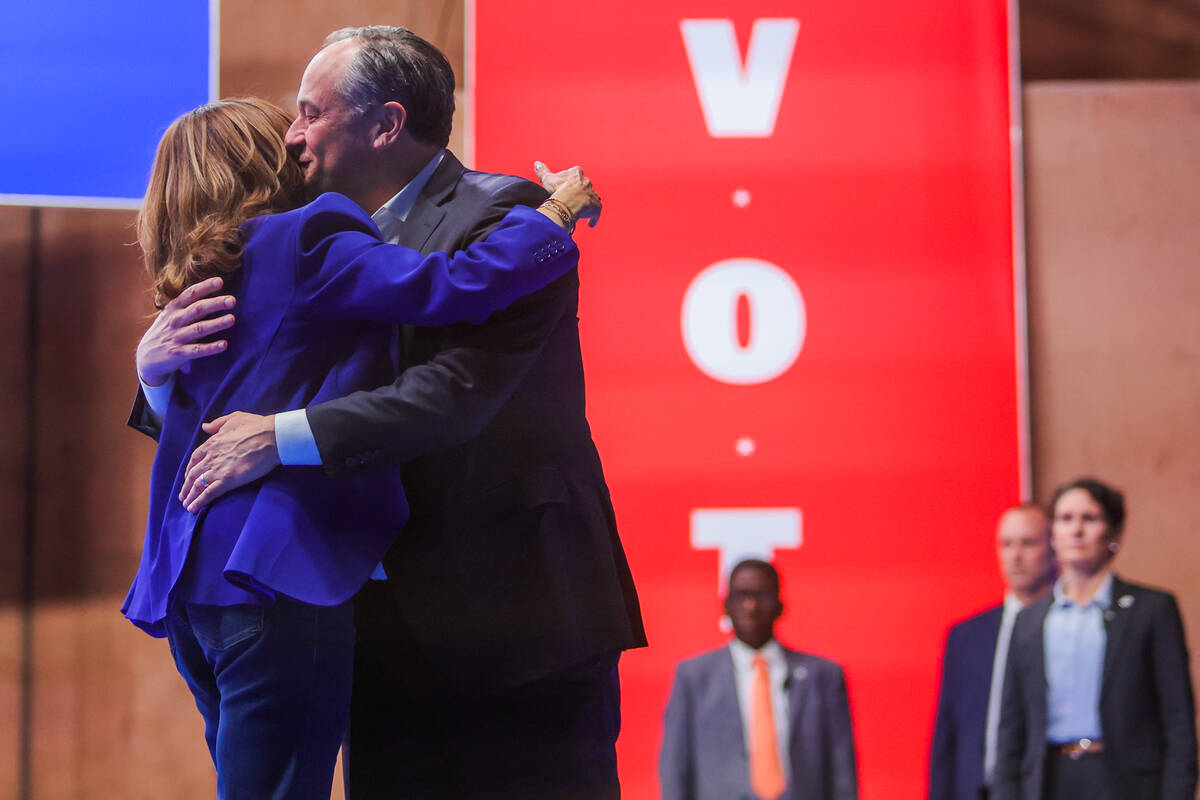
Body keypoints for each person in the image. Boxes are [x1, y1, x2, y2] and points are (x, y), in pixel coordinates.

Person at [131, 26, 646, 799]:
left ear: (386, 124)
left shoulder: (501, 211)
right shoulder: (294, 230)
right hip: (365, 613)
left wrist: (281, 438)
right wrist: (153, 370)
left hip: (512, 616)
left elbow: (455, 391)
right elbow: (232, 377)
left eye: (309, 112)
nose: (291, 134)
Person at [993, 477, 1198, 800]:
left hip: (1126, 780)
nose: (1076, 530)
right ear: (1053, 536)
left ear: (1113, 533)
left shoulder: (1151, 610)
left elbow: (1179, 722)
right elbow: (1011, 729)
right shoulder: (1029, 620)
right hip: (1050, 779)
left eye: (1089, 518)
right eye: (1065, 519)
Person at [659, 559, 858, 800]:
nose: (751, 606)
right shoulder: (693, 677)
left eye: (762, 595)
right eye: (741, 595)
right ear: (726, 605)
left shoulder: (823, 676)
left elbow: (842, 768)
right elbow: (675, 766)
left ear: (780, 605)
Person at [930, 505, 1056, 800]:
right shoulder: (966, 636)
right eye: (1007, 544)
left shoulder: (1065, 627)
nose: (1016, 555)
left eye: (1028, 543)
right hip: (977, 789)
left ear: (1053, 548)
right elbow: (946, 735)